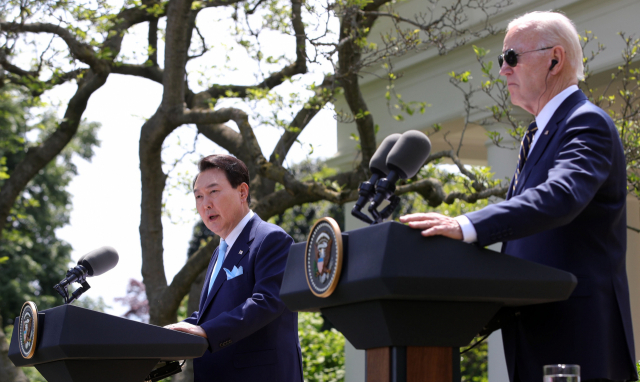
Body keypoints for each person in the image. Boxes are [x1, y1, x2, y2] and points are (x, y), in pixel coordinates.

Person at [400, 11, 637, 382]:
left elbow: (559, 196)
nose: (502, 70)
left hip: (577, 340)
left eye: (511, 57)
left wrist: (465, 224)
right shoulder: (536, 135)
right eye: (501, 59)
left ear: (554, 59)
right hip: (533, 334)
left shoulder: (586, 123)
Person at [165, 154, 303, 382]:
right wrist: (172, 332)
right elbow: (213, 313)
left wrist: (208, 332)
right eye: (198, 196)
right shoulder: (220, 252)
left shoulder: (271, 239)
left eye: (213, 192)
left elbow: (267, 301)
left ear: (242, 192)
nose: (205, 203)